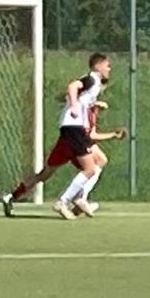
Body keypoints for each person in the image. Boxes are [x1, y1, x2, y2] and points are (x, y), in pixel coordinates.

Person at [1, 95, 127, 216]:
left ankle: (12, 196)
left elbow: (90, 134)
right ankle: (77, 199)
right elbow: (90, 136)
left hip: (68, 143)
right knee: (94, 165)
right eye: (99, 106)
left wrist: (112, 135)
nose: (100, 110)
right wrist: (113, 135)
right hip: (74, 144)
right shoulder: (84, 110)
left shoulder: (89, 113)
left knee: (45, 174)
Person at [47, 53, 118, 219]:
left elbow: (81, 98)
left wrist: (93, 105)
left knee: (97, 162)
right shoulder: (91, 79)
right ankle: (64, 201)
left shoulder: (95, 84)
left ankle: (79, 198)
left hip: (75, 128)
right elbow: (72, 86)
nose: (109, 69)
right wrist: (74, 106)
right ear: (98, 66)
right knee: (89, 169)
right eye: (107, 65)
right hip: (73, 127)